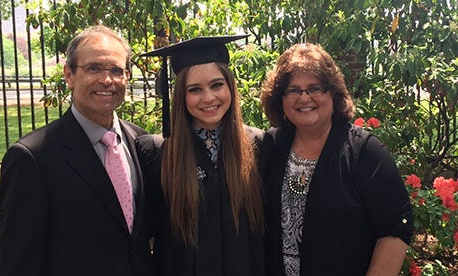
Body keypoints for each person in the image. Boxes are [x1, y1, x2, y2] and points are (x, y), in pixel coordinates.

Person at [0, 25, 155, 276]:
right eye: (93, 68)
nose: (106, 80)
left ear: (126, 77)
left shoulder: (140, 141)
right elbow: (18, 263)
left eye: (116, 70)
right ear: (69, 75)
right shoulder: (33, 158)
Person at [260, 43, 414, 275]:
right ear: (280, 99)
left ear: (332, 93)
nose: (304, 98)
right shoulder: (271, 146)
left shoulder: (363, 152)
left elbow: (395, 226)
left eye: (315, 88)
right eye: (293, 90)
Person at [137, 35, 265, 276]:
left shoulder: (258, 145)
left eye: (217, 85)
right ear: (181, 97)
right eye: (195, 89)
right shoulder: (158, 153)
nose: (208, 98)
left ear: (230, 87)